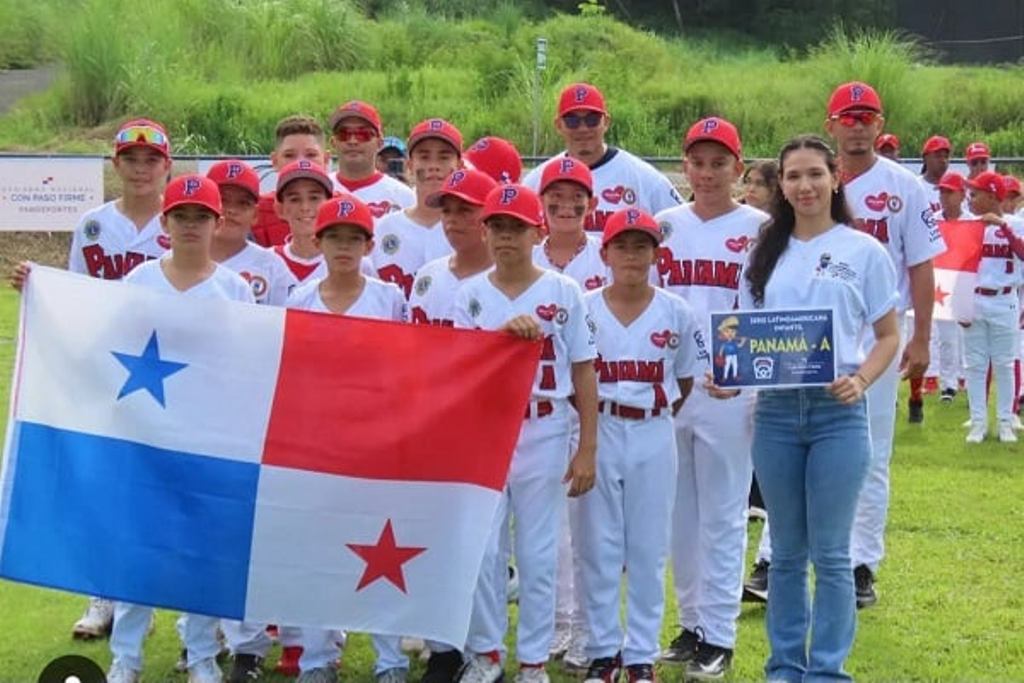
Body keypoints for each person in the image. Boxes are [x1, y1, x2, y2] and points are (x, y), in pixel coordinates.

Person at [734, 133, 899, 683]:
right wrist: (727, 375)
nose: (804, 185)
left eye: (814, 174)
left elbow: (887, 335)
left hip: (837, 416)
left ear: (835, 178)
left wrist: (862, 379)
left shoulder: (864, 251)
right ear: (780, 185)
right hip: (777, 415)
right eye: (793, 176)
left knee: (831, 555)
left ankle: (826, 671)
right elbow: (744, 334)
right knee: (785, 554)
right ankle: (784, 666)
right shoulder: (763, 253)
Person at [108, 174, 256, 683]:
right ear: (165, 222)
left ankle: (201, 655)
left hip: (208, 439)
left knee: (201, 550)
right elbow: (105, 341)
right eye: (181, 216)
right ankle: (125, 656)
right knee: (140, 548)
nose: (191, 226)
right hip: (146, 434)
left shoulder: (235, 289)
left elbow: (249, 365)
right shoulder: (139, 282)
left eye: (201, 217)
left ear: (219, 223)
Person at [454, 184, 598, 683]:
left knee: (539, 552)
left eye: (516, 227)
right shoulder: (469, 294)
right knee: (483, 549)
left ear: (538, 231)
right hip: (486, 428)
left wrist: (588, 449)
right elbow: (458, 371)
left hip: (545, 424)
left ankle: (532, 659)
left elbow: (584, 371)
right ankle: (486, 652)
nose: (506, 236)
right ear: (485, 230)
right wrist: (499, 342)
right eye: (497, 226)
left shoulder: (564, 291)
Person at [824, 81, 943, 607]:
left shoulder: (905, 187)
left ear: (880, 123)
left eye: (865, 117)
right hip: (813, 336)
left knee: (870, 453)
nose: (856, 125)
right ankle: (779, 558)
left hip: (877, 335)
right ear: (830, 125)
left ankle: (861, 562)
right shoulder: (811, 179)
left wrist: (922, 338)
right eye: (847, 117)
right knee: (801, 451)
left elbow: (920, 264)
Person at [656, 116, 766, 680]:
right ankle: (691, 623)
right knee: (680, 514)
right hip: (674, 385)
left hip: (729, 385)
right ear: (684, 166)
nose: (706, 173)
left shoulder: (762, 228)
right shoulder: (663, 227)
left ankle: (719, 634)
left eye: (719, 162)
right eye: (697, 162)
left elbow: (769, 311)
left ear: (738, 168)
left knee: (723, 514)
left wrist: (749, 375)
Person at [284, 194, 407, 683]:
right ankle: (316, 658)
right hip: (320, 442)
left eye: (353, 238)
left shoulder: (389, 298)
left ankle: (390, 659)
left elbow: (407, 371)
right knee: (319, 550)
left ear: (368, 244)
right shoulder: (300, 299)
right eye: (334, 237)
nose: (343, 246)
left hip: (375, 439)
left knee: (382, 552)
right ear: (318, 242)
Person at [576, 208, 700, 683]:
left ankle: (641, 654)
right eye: (622, 246)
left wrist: (657, 412)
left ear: (656, 253)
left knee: (649, 546)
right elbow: (573, 378)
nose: (632, 254)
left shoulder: (676, 311)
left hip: (653, 428)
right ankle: (604, 649)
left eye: (641, 246)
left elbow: (685, 380)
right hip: (601, 426)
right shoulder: (582, 306)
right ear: (604, 252)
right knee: (599, 545)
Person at [67, 117, 174, 642]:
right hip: (111, 367)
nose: (140, 169)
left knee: (156, 485)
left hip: (165, 369)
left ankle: (149, 598)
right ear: (116, 165)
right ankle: (104, 595)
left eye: (150, 160)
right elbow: (78, 298)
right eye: (130, 159)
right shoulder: (92, 224)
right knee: (106, 483)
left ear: (166, 167)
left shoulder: (182, 220)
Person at [522, 82, 682, 232]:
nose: (583, 128)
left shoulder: (644, 178)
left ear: (605, 122)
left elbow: (682, 228)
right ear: (558, 125)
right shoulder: (536, 181)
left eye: (592, 119)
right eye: (572, 121)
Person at [961, 171, 1024, 444]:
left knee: (1004, 364)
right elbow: (957, 267)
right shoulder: (967, 225)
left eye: (975, 194)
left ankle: (1005, 421)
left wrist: (1003, 226)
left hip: (1004, 297)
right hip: (974, 298)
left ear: (991, 195)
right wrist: (958, 305)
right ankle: (978, 423)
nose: (970, 198)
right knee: (975, 365)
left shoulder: (1016, 223)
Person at [372, 118, 463, 299]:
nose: (434, 166)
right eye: (424, 156)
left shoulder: (471, 229)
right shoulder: (384, 228)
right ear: (410, 165)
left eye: (444, 157)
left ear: (459, 166)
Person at [206, 159, 295, 306]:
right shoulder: (181, 258)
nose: (231, 210)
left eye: (243, 203)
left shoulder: (272, 266)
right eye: (222, 200)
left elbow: (279, 325)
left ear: (255, 215)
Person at [328, 100, 415, 219]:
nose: (353, 141)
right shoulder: (318, 189)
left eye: (363, 134)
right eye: (344, 134)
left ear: (379, 143)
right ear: (333, 142)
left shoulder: (403, 197)